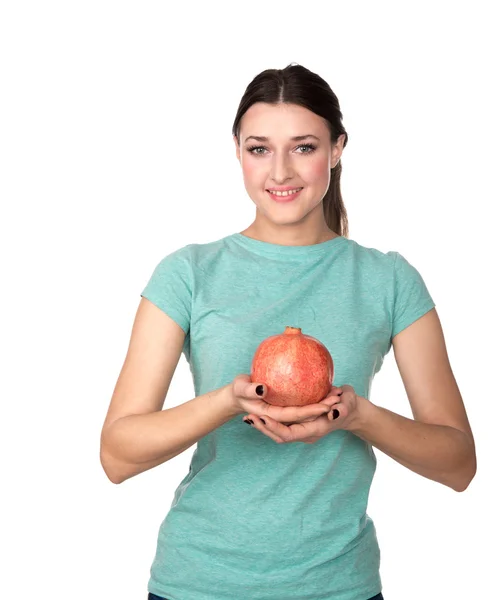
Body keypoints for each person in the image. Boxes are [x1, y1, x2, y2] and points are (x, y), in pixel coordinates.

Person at [100, 63, 477, 600]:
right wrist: (228, 403)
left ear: (338, 148)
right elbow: (117, 455)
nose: (280, 172)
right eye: (259, 149)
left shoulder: (388, 279)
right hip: (198, 583)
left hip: (338, 585)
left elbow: (458, 464)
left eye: (303, 147)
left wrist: (359, 417)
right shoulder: (187, 273)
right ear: (237, 151)